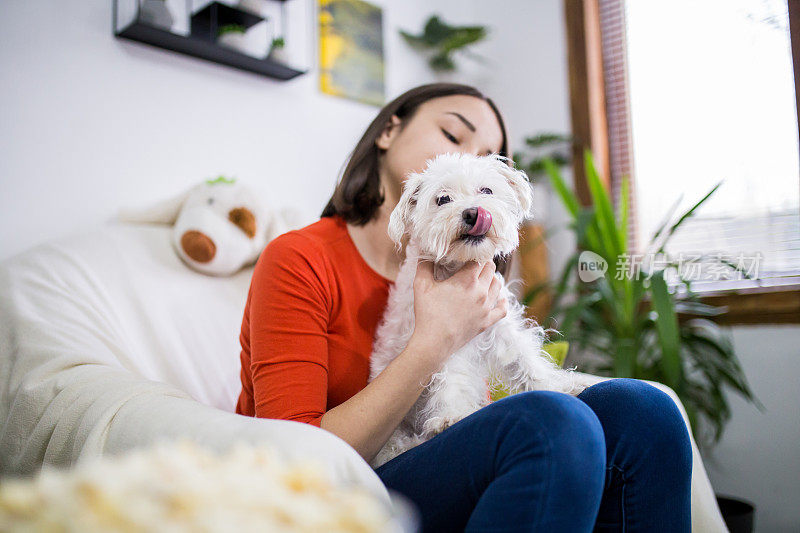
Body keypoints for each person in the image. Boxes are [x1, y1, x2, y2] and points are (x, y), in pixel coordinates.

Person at [235, 83, 692, 531]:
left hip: (445, 460)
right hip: (347, 485)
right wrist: (434, 340)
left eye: (486, 158)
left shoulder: (468, 269)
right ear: (388, 131)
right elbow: (292, 456)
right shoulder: (298, 259)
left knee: (646, 410)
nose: (468, 162)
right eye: (454, 136)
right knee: (551, 425)